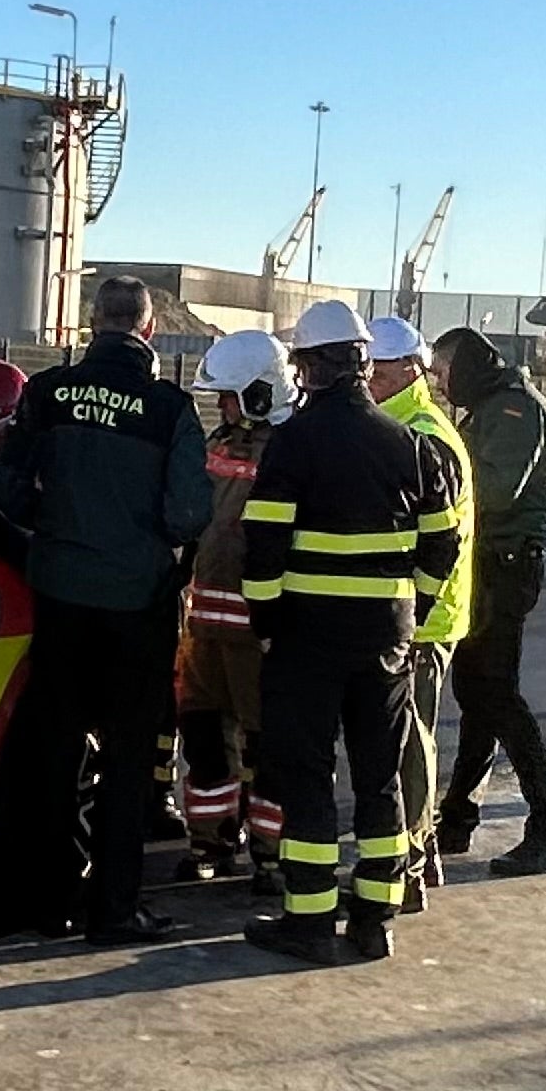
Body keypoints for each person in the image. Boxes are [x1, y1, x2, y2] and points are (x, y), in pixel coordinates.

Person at [0, 276, 212, 941]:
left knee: (55, 751)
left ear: (92, 323)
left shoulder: (48, 393)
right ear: (148, 329)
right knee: (127, 759)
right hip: (137, 605)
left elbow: (9, 488)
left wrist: (58, 523)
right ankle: (113, 910)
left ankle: (50, 901)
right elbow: (188, 514)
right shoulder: (168, 407)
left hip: (59, 596)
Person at [238, 298, 462, 968]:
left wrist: (267, 624)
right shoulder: (410, 443)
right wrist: (413, 607)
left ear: (308, 367)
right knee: (379, 778)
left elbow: (264, 545)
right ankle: (374, 921)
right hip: (386, 640)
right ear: (363, 363)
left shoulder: (294, 441)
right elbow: (443, 542)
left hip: (305, 638)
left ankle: (308, 921)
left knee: (308, 778)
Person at [426, 327, 546, 876]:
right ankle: (458, 817)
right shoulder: (491, 405)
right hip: (487, 563)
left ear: (468, 366)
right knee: (478, 694)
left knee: (495, 694)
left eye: (444, 371)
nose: (440, 383)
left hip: (503, 566)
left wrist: (428, 480)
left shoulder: (513, 409)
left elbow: (491, 489)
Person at [367, 315, 474, 909]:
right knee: (404, 740)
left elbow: (434, 539)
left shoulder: (423, 434)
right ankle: (418, 852)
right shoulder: (400, 425)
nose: (371, 379)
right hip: (415, 612)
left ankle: (410, 860)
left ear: (413, 370)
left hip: (422, 619)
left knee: (409, 744)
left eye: (381, 371)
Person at [176, 329, 284, 883]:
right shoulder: (218, 443)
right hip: (203, 626)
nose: (222, 406)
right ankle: (211, 843)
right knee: (203, 738)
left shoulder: (289, 451)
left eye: (229, 396)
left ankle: (271, 853)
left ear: (260, 393)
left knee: (265, 745)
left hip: (255, 630)